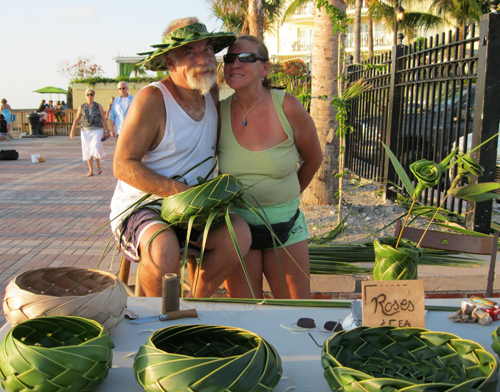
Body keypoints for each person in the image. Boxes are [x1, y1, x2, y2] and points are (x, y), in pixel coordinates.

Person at [110, 17, 250, 298]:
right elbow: (122, 165)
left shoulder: (209, 90)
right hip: (145, 205)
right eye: (190, 53)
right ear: (170, 63)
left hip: (196, 203)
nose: (204, 59)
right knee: (163, 251)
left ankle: (194, 302)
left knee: (239, 235)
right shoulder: (152, 99)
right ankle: (152, 318)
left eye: (208, 50)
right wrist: (181, 193)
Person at [218, 35, 323, 299]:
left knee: (296, 313)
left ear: (265, 68)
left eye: (246, 58)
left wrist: (286, 194)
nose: (235, 64)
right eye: (230, 58)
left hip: (286, 227)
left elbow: (313, 159)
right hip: (238, 230)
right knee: (245, 315)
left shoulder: (287, 105)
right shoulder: (217, 113)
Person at [69, 88, 108, 177]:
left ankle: (98, 165)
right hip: (85, 131)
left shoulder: (98, 106)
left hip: (97, 129)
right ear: (85, 96)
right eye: (88, 94)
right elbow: (77, 119)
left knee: (96, 147)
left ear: (94, 96)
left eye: (91, 94)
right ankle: (91, 170)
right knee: (88, 149)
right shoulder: (81, 107)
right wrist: (72, 131)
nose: (89, 96)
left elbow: (104, 119)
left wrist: (106, 131)